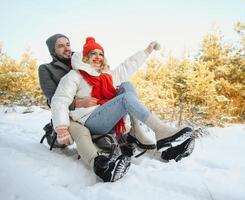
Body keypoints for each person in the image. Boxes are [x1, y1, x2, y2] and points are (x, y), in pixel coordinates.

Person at [50, 37, 195, 181]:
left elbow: (127, 66)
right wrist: (61, 128)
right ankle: (160, 130)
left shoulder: (106, 75)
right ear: (86, 56)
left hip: (107, 116)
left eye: (101, 54)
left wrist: (147, 51)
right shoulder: (75, 76)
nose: (97, 57)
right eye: (93, 53)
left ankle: (138, 132)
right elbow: (60, 100)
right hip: (89, 119)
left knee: (127, 86)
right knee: (125, 98)